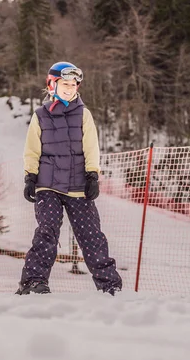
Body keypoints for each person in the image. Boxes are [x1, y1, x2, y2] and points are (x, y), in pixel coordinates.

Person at [15, 61, 123, 295]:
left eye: (74, 84)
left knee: (91, 235)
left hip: (77, 186)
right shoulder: (40, 116)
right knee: (47, 231)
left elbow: (91, 147)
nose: (70, 87)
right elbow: (32, 149)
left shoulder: (83, 115)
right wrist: (30, 177)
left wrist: (92, 174)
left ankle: (109, 285)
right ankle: (33, 281)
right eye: (65, 83)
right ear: (52, 84)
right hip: (48, 185)